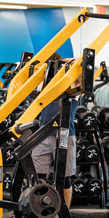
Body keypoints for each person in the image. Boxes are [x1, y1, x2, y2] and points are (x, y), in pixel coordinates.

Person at [32, 54, 79, 208]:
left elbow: (81, 63)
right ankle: (39, 213)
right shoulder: (43, 85)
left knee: (65, 179)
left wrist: (63, 63)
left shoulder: (72, 84)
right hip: (42, 135)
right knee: (38, 179)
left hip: (64, 136)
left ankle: (64, 217)